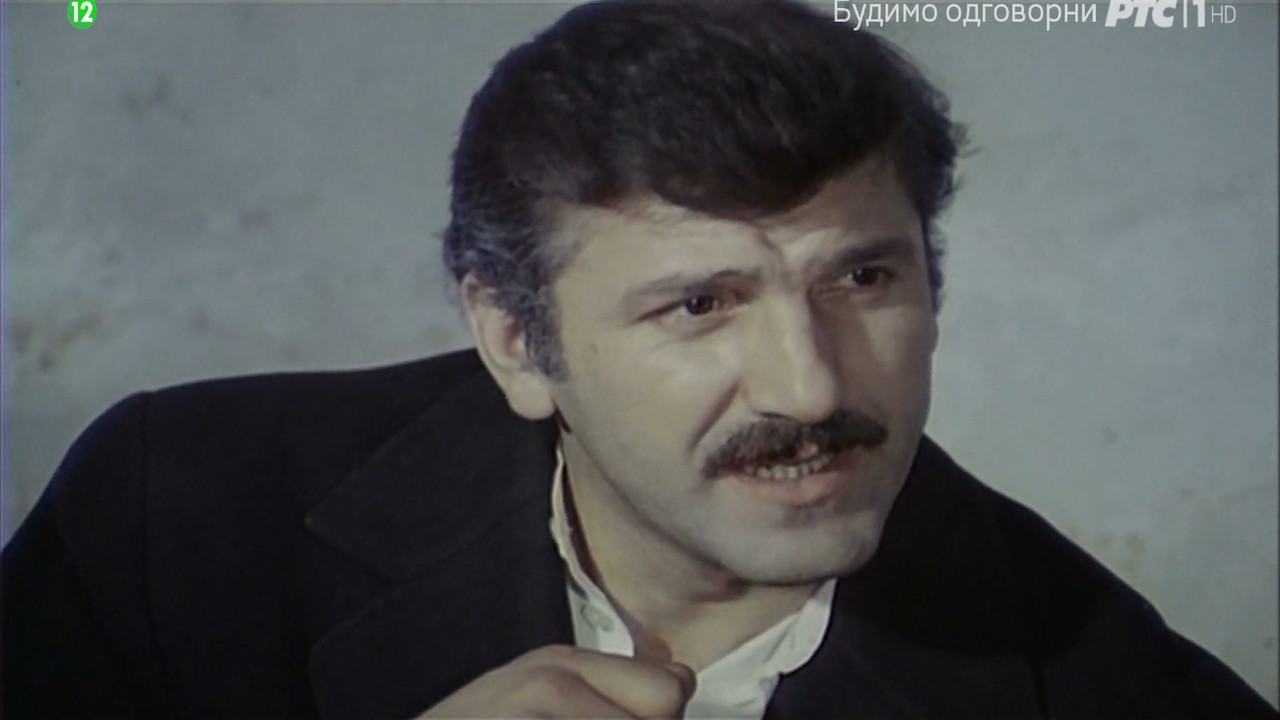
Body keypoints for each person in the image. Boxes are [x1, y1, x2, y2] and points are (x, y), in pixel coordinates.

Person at [4, 0, 1274, 718]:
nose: (812, 386)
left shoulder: (1123, 697)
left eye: (862, 279)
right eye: (700, 304)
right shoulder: (169, 518)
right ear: (516, 340)